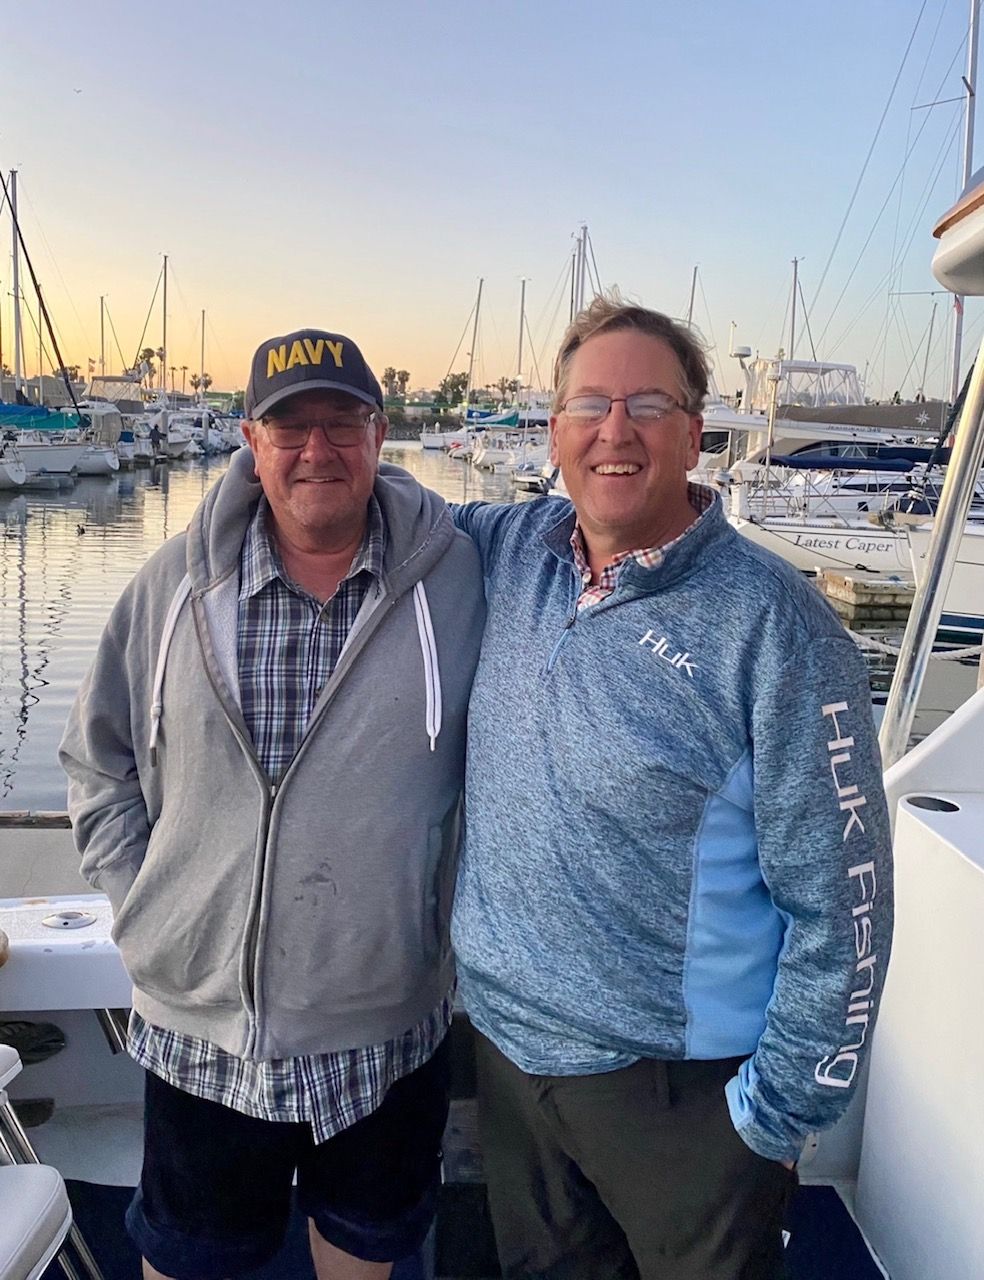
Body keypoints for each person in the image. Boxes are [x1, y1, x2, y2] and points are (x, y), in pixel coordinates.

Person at [451, 296, 893, 1280]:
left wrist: (775, 1118)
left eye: (647, 405)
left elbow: (845, 903)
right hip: (510, 1056)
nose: (615, 430)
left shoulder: (779, 630)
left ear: (695, 434)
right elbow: (362, 509)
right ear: (554, 431)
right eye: (590, 404)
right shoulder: (512, 548)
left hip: (679, 1093)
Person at [59, 327, 485, 1280]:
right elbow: (97, 757)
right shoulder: (171, 585)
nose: (316, 450)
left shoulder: (458, 580)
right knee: (189, 1260)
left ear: (379, 434)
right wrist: (149, 907)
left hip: (385, 1030)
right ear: (251, 440)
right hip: (198, 1031)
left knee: (363, 1258)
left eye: (342, 423)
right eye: (290, 427)